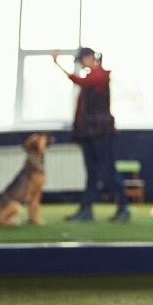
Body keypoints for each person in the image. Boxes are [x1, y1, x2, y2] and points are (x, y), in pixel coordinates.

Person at [52, 47, 131, 223]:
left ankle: (123, 207)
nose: (81, 64)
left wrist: (57, 64)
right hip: (88, 134)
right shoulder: (91, 77)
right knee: (92, 172)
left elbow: (79, 81)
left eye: (81, 60)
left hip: (101, 134)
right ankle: (86, 209)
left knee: (108, 171)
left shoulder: (100, 75)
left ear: (89, 57)